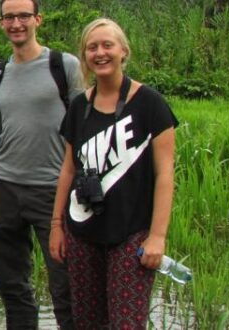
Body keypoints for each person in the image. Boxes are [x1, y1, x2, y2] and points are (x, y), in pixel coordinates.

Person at [49, 18, 177, 329]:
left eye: (107, 45)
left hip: (131, 233)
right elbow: (68, 170)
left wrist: (157, 236)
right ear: (84, 57)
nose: (100, 53)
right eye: (92, 47)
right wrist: (56, 225)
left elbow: (165, 174)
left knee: (126, 323)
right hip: (82, 232)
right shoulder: (80, 107)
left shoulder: (150, 104)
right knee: (88, 321)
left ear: (124, 51)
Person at [0, 0, 81, 330]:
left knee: (64, 282)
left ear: (38, 20)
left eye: (24, 16)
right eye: (9, 17)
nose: (16, 23)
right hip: (5, 187)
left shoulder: (64, 65)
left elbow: (82, 127)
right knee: (11, 284)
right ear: (1, 23)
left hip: (53, 189)